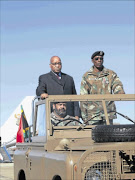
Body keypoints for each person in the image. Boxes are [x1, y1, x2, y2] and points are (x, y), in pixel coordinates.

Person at [80, 51, 125, 125]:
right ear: (92, 61)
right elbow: (83, 97)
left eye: (101, 58)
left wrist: (119, 91)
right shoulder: (86, 76)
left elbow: (117, 84)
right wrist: (84, 116)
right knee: (94, 135)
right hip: (93, 115)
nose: (99, 60)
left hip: (108, 112)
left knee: (108, 135)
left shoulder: (110, 74)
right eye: (96, 59)